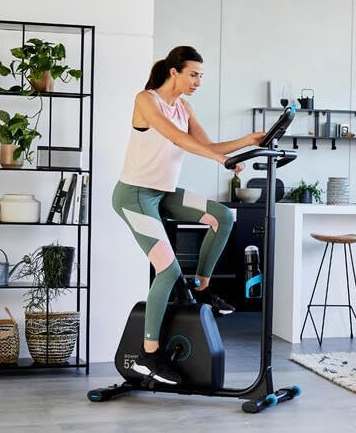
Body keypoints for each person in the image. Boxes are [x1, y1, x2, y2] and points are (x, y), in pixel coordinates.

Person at [112, 46, 264, 385]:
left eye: (201, 76)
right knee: (167, 271)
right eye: (193, 74)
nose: (198, 81)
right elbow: (178, 139)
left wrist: (245, 142)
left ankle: (204, 289)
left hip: (163, 194)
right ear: (174, 72)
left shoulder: (185, 108)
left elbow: (209, 145)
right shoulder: (146, 100)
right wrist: (217, 159)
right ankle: (148, 356)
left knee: (222, 216)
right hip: (135, 195)